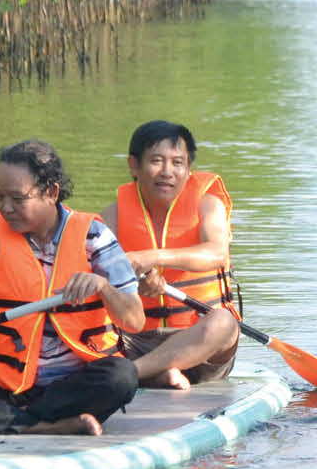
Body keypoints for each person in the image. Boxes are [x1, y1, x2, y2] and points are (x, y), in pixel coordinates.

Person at [0, 138, 143, 435]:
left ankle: (12, 421)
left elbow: (134, 319)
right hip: (3, 386)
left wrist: (104, 287)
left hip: (75, 384)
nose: (6, 208)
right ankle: (42, 425)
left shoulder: (94, 237)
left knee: (122, 377)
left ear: (51, 193)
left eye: (17, 199)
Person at [102, 119, 242, 389]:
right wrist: (135, 287)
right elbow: (98, 274)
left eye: (178, 163)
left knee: (225, 323)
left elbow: (216, 254)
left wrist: (153, 257)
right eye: (156, 160)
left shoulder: (209, 205)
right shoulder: (114, 214)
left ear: (189, 169)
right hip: (135, 340)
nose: (167, 171)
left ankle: (133, 373)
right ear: (134, 165)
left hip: (198, 342)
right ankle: (158, 374)